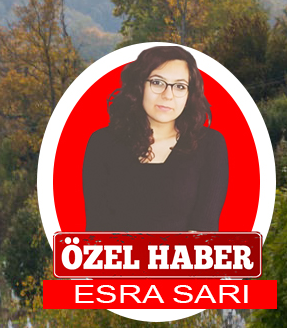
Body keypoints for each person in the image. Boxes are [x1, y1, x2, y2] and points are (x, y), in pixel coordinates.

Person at [80, 44, 228, 231]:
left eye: (180, 86)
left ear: (190, 94)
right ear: (139, 85)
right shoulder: (102, 143)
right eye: (157, 83)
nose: (168, 95)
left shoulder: (210, 145)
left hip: (186, 260)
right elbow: (97, 229)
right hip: (115, 260)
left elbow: (204, 233)